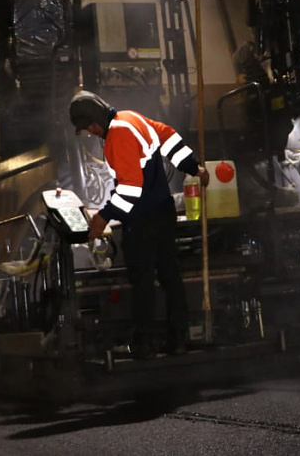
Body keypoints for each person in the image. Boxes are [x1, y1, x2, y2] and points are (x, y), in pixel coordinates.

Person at [69, 90, 209, 358]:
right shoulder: (131, 118)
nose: (91, 132)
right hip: (163, 211)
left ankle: (144, 345)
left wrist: (103, 216)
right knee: (170, 276)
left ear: (96, 119)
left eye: (89, 127)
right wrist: (195, 167)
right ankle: (178, 339)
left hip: (142, 220)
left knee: (143, 281)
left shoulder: (116, 136)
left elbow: (130, 190)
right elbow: (168, 137)